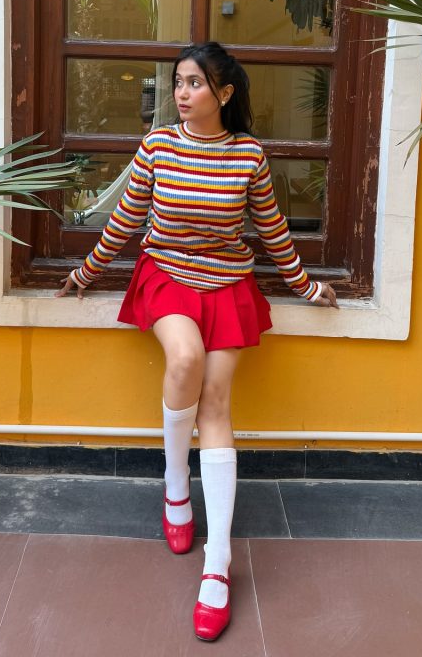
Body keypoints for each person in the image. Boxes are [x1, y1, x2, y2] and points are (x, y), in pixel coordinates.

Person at [56, 41, 338, 642]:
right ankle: (176, 487)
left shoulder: (248, 157)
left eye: (195, 84)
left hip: (228, 286)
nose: (181, 94)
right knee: (184, 358)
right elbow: (127, 220)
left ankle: (218, 563)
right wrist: (86, 272)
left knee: (216, 399)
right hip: (166, 275)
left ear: (225, 94)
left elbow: (272, 230)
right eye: (178, 82)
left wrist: (308, 287)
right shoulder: (157, 146)